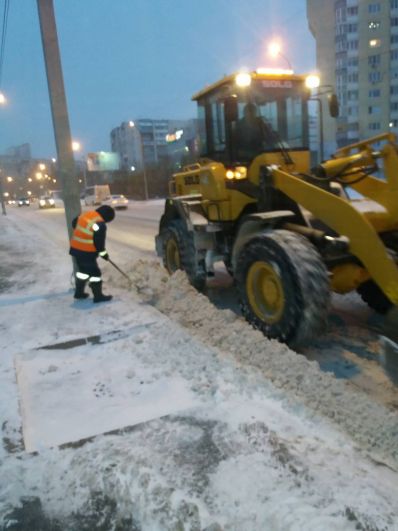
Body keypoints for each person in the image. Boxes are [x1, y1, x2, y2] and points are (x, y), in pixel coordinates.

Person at [69, 204, 115, 303]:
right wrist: (104, 254)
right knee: (95, 274)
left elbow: (74, 223)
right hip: (86, 253)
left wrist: (85, 234)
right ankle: (98, 297)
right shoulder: (99, 224)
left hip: (76, 250)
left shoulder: (86, 215)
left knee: (83, 272)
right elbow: (99, 243)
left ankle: (79, 293)